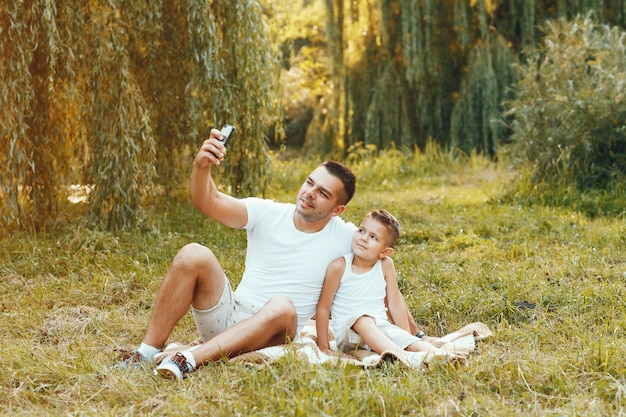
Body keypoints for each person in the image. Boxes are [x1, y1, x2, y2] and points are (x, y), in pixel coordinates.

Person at [315, 209, 458, 367]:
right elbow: (323, 307)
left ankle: (442, 357)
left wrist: (406, 337)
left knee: (413, 343)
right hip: (350, 333)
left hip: (381, 328)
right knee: (363, 319)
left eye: (373, 237)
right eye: (362, 231)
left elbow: (395, 304)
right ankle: (403, 357)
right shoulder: (339, 266)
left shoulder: (386, 265)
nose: (363, 238)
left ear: (385, 251)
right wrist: (324, 347)